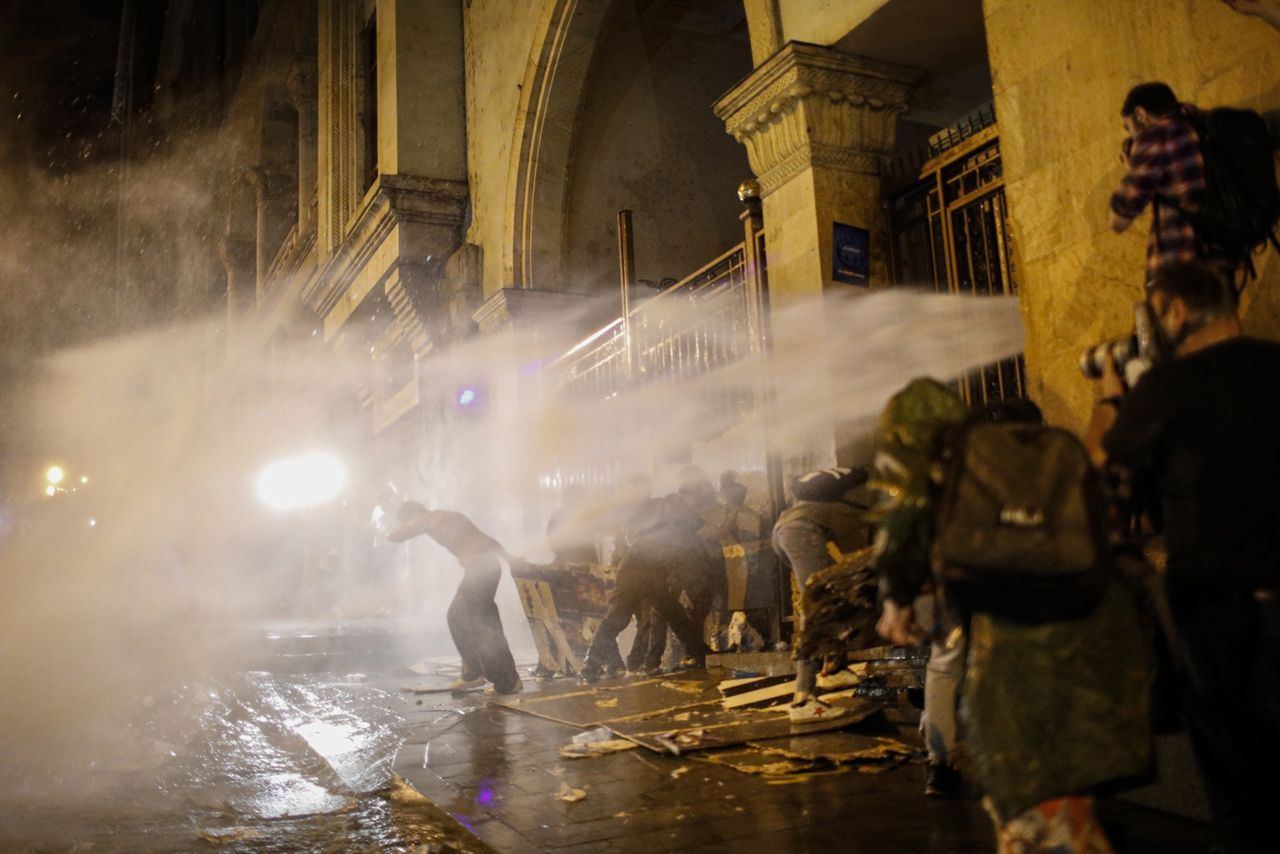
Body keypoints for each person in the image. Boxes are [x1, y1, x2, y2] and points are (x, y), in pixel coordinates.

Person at [875, 379, 1153, 852]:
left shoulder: (948, 468)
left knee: (1031, 804)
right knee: (1069, 799)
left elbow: (903, 527)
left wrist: (895, 601)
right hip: (1094, 637)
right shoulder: (1053, 458)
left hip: (1009, 648)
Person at [1085, 262, 1280, 853]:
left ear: (1172, 311)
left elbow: (1101, 465)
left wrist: (1109, 396)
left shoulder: (1167, 389)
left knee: (1238, 781)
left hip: (1220, 607)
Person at [771, 466, 873, 723]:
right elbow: (860, 552)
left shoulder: (842, 482)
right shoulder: (873, 491)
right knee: (819, 609)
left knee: (828, 599)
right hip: (803, 532)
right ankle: (803, 698)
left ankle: (833, 668)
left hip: (786, 527)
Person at [387, 500, 522, 695]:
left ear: (413, 516)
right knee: (460, 617)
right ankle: (475, 673)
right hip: (483, 568)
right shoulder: (449, 518)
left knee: (479, 624)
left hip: (481, 570)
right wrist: (509, 559)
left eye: (408, 521)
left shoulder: (432, 518)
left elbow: (396, 535)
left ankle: (506, 680)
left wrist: (391, 532)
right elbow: (488, 541)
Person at [580, 488, 712, 681]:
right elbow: (688, 536)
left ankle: (701, 654)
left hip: (647, 570)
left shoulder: (661, 513)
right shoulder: (670, 514)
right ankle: (590, 665)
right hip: (638, 570)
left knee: (673, 615)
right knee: (619, 618)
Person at [1109, 82, 1229, 287]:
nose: (1132, 137)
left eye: (1128, 127)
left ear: (1140, 113)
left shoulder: (1156, 136)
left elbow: (1118, 221)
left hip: (1179, 266)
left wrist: (1134, 170)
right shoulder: (1198, 125)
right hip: (1220, 260)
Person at [546, 484, 598, 564]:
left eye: (576, 497)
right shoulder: (557, 514)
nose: (572, 500)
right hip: (563, 559)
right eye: (570, 497)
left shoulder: (589, 514)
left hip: (587, 560)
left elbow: (593, 535)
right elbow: (551, 539)